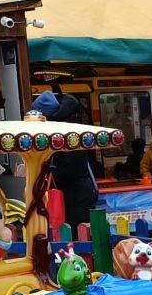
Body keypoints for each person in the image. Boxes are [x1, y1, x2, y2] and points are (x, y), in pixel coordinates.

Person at [33, 90, 101, 230]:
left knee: (76, 231)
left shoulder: (66, 135)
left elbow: (72, 169)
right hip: (77, 194)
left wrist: (47, 170)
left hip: (75, 196)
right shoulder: (67, 128)